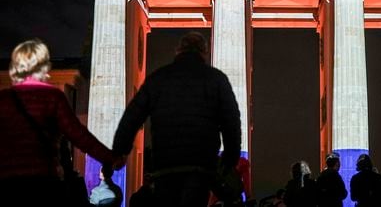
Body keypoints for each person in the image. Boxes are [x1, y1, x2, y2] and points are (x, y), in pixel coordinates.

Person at [112, 31, 241, 207]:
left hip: (165, 165)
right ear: (204, 52)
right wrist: (230, 158)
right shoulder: (216, 79)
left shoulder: (158, 78)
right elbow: (231, 120)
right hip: (200, 165)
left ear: (178, 51)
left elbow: (132, 116)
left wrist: (120, 150)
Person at [0, 39, 120, 207]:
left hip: (7, 184)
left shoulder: (4, 99)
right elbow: (79, 136)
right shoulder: (52, 97)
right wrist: (111, 157)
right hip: (43, 182)